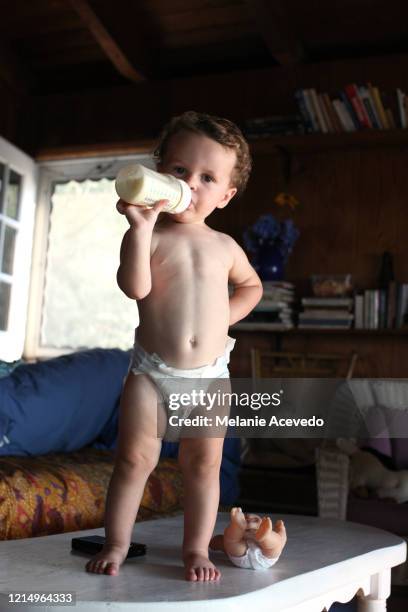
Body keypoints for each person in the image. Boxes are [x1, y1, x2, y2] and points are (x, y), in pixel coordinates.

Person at [85, 111, 263, 581]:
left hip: (210, 375)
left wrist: (223, 316)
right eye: (180, 171)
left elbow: (252, 287)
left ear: (224, 195)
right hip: (152, 371)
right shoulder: (150, 234)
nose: (191, 184)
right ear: (159, 173)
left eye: (207, 178)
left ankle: (195, 551)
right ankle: (117, 543)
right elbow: (135, 288)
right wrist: (140, 230)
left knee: (204, 466)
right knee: (134, 459)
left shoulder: (225, 245)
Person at [210, 507, 287, 570]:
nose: (249, 519)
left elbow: (220, 542)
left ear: (263, 524)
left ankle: (237, 527)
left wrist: (213, 542)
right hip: (264, 557)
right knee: (277, 544)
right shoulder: (241, 538)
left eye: (255, 520)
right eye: (245, 520)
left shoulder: (239, 539)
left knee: (230, 541)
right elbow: (282, 538)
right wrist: (280, 529)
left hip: (241, 557)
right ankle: (266, 536)